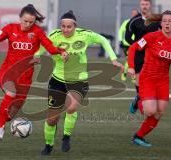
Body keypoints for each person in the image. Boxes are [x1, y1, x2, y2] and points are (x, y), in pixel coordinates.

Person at [36, 10, 124, 155]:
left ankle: (66, 136)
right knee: (52, 119)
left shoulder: (85, 35)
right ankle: (48, 145)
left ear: (75, 26)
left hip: (79, 80)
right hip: (57, 80)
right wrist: (36, 56)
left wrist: (113, 58)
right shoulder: (54, 36)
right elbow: (41, 46)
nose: (65, 29)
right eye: (63, 26)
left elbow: (103, 40)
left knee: (71, 107)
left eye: (69, 27)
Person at [0, 4, 68, 139]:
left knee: (11, 114)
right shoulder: (10, 28)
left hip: (25, 79)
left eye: (31, 22)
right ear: (20, 18)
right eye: (25, 21)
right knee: (11, 92)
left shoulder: (37, 32)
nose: (28, 24)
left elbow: (50, 46)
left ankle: (2, 119)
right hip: (7, 72)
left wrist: (61, 52)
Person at [127, 10, 171, 147]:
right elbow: (133, 48)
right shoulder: (152, 36)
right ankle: (139, 99)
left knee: (159, 112)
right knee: (150, 111)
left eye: (170, 21)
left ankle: (138, 136)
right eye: (165, 21)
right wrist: (131, 67)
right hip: (148, 78)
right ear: (161, 23)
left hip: (163, 81)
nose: (167, 24)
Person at [125, 0, 162, 114]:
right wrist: (136, 46)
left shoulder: (157, 20)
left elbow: (164, 33)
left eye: (146, 4)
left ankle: (141, 99)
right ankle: (139, 98)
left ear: (150, 5)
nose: (144, 6)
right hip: (139, 54)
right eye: (142, 4)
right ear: (140, 6)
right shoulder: (134, 20)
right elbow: (127, 37)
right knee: (139, 80)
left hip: (153, 53)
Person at [118, 8, 139, 82]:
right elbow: (120, 31)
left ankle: (133, 76)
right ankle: (125, 73)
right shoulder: (127, 22)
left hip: (136, 44)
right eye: (133, 14)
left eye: (135, 14)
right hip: (127, 44)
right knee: (129, 60)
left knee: (136, 60)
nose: (134, 15)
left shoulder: (140, 23)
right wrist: (120, 41)